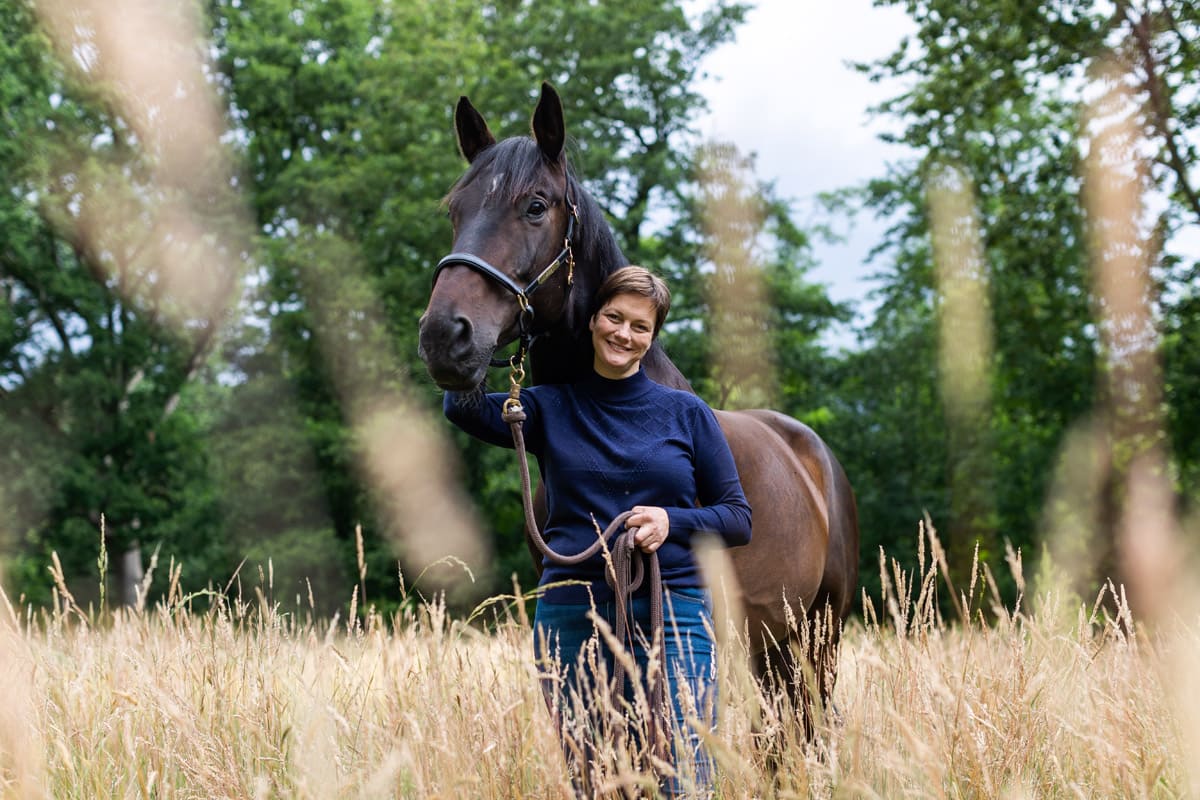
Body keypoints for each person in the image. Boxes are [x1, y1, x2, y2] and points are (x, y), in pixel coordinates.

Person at [444, 265, 752, 797]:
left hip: (672, 609)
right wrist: (497, 327)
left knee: (686, 770)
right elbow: (461, 406)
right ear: (593, 320)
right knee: (595, 776)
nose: (623, 334)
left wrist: (669, 520)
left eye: (640, 327)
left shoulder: (686, 413)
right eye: (614, 317)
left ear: (652, 338)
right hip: (570, 610)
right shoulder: (547, 406)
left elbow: (737, 517)